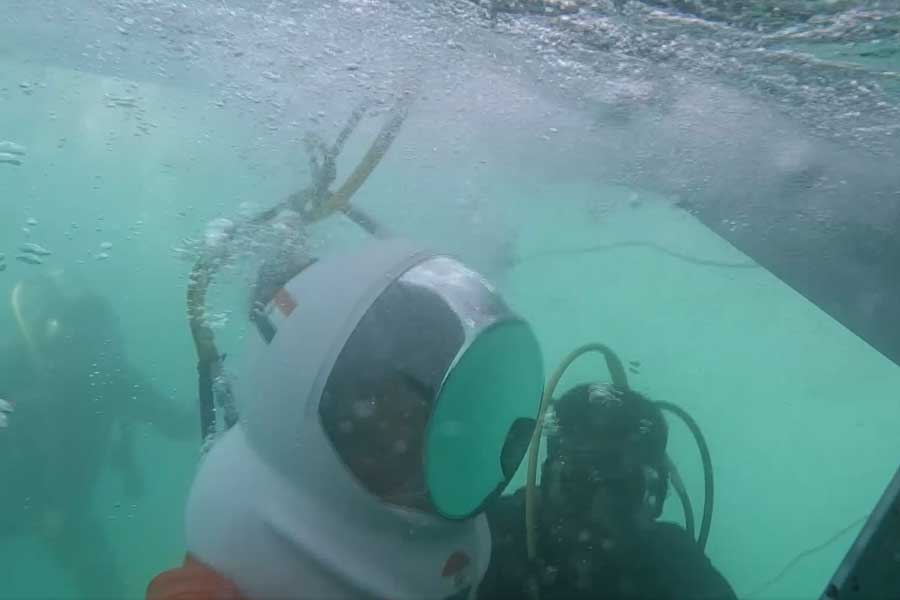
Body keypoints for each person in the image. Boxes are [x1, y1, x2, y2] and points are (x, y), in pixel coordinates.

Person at [147, 239, 546, 600]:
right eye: (383, 403)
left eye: (430, 394)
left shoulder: (464, 512)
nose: (420, 422)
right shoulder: (245, 565)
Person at [0, 269, 195, 598]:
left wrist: (218, 385)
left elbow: (177, 423)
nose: (40, 321)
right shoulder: (10, 369)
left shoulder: (104, 375)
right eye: (29, 312)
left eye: (47, 310)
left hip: (67, 507)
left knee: (103, 585)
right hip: (21, 500)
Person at [477, 380, 737, 599]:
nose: (599, 515)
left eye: (622, 493)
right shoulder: (492, 538)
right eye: (577, 485)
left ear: (654, 498)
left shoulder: (674, 564)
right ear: (545, 479)